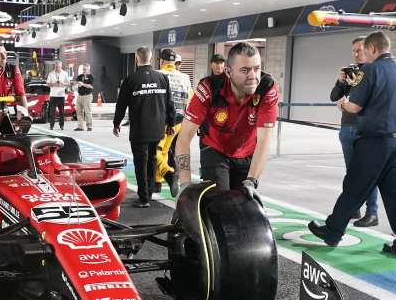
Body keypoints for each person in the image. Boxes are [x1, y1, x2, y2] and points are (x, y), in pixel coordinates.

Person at [308, 32, 396, 259]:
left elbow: (355, 106)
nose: (363, 56)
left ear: (374, 50)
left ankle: (332, 231)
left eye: (365, 52)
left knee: (354, 187)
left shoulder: (371, 70)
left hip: (376, 142)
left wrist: (344, 105)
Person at [172, 42, 278, 201]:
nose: (253, 76)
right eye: (244, 70)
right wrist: (185, 184)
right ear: (229, 72)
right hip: (215, 149)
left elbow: (264, 141)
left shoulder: (267, 88)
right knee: (219, 203)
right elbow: (184, 138)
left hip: (247, 151)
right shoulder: (208, 88)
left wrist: (251, 181)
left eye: (256, 69)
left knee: (244, 204)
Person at [113, 47, 175, 208]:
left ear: (136, 58)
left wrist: (116, 123)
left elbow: (121, 105)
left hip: (140, 128)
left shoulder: (131, 79)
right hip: (157, 128)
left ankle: (143, 198)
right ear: (151, 57)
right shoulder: (162, 78)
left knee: (141, 162)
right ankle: (150, 191)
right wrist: (171, 123)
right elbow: (170, 103)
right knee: (153, 159)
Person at [330, 37, 380, 228]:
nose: (356, 54)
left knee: (368, 173)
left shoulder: (374, 72)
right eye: (354, 51)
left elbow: (366, 100)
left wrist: (346, 102)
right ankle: (353, 208)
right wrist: (341, 81)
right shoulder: (352, 71)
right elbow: (334, 96)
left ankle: (372, 212)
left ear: (369, 50)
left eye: (359, 50)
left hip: (365, 129)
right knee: (351, 172)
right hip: (347, 127)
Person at [158, 48, 192, 197]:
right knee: (166, 151)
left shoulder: (157, 75)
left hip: (161, 120)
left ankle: (168, 174)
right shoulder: (185, 77)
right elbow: (190, 99)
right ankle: (157, 182)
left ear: (161, 61)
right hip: (179, 121)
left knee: (155, 151)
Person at [45, 61, 70, 130]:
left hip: (61, 95)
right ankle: (51, 126)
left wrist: (62, 84)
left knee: (61, 112)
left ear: (61, 66)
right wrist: (54, 84)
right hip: (53, 95)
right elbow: (47, 84)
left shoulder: (64, 73)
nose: (57, 68)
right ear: (54, 66)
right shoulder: (51, 73)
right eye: (56, 67)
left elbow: (68, 84)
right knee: (52, 112)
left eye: (59, 67)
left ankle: (61, 125)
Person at [74, 63, 95, 131]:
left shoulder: (91, 77)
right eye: (83, 69)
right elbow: (75, 82)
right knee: (79, 112)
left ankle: (89, 126)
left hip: (87, 96)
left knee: (87, 111)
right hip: (80, 96)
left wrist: (82, 84)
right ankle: (80, 126)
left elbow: (91, 86)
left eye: (85, 69)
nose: (84, 70)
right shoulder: (80, 76)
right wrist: (75, 83)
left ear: (88, 69)